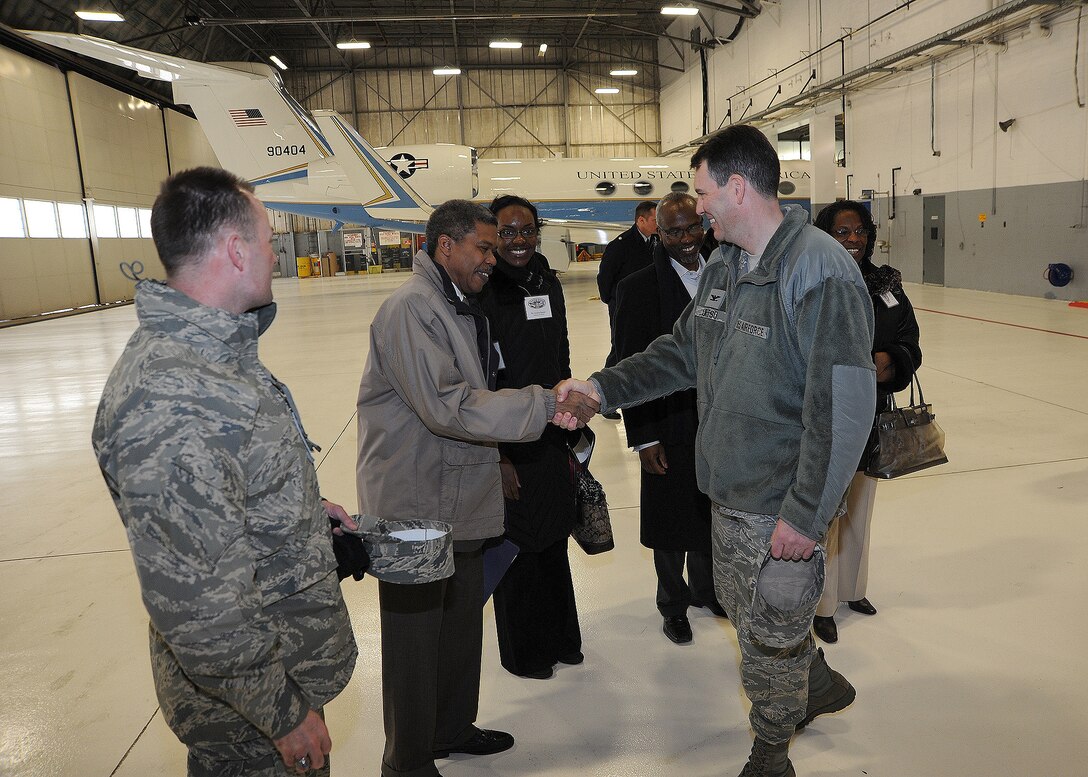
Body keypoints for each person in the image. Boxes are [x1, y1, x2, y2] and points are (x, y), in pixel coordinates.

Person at [555, 125, 877, 777]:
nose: (695, 205)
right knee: (749, 614)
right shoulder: (726, 262)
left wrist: (806, 515)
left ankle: (771, 750)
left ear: (735, 187)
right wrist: (599, 387)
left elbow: (843, 407)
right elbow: (681, 351)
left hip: (779, 505)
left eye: (702, 192)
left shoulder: (819, 271)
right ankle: (810, 680)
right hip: (724, 492)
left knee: (767, 638)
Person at [92, 167, 358, 777]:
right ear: (236, 250)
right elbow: (199, 602)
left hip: (273, 683)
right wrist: (283, 714)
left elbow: (228, 494)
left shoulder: (219, 360)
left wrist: (300, 513)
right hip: (250, 721)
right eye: (268, 241)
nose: (274, 254)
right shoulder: (169, 397)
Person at [355, 199, 597, 777]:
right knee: (415, 641)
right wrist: (545, 404)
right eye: (483, 248)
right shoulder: (413, 309)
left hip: (455, 492)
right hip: (411, 500)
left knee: (460, 623)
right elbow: (449, 406)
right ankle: (407, 763)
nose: (493, 259)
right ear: (446, 246)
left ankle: (451, 727)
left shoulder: (458, 304)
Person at [476, 194, 583, 679]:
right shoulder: (484, 290)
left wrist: (571, 413)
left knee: (555, 536)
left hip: (551, 428)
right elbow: (479, 380)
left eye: (526, 231)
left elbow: (559, 352)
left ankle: (563, 639)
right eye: (507, 232)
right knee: (519, 544)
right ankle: (527, 653)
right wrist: (497, 457)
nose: (518, 241)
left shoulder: (547, 280)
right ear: (492, 237)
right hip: (509, 436)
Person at [612, 192, 724, 646]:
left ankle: (706, 589)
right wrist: (643, 437)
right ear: (658, 232)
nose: (685, 240)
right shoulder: (637, 288)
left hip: (717, 420)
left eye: (692, 228)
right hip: (667, 423)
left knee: (707, 510)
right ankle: (672, 603)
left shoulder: (725, 274)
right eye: (674, 231)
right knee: (668, 519)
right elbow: (630, 364)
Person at [811, 200, 922, 644]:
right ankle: (820, 603)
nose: (853, 239)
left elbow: (910, 340)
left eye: (859, 231)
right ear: (825, 235)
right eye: (842, 231)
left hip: (871, 415)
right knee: (823, 512)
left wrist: (892, 360)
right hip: (824, 416)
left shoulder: (886, 285)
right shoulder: (814, 279)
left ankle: (852, 590)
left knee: (859, 506)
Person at [596, 200, 658, 378]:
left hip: (646, 305)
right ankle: (605, 385)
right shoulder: (621, 244)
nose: (658, 224)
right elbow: (605, 277)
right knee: (620, 348)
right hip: (623, 306)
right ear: (641, 220)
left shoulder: (655, 241)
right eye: (655, 220)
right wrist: (613, 301)